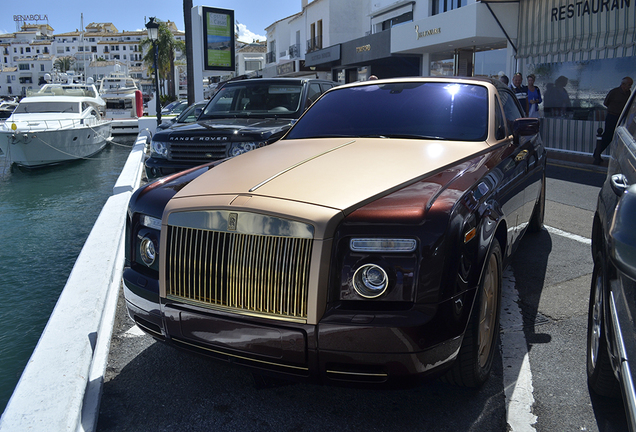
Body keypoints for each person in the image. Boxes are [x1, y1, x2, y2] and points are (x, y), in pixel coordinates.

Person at [593, 76, 633, 165]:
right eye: (629, 85)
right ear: (623, 84)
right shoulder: (614, 92)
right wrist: (614, 109)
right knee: (607, 136)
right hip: (612, 116)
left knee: (619, 138)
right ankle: (597, 154)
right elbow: (605, 103)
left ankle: (617, 158)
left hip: (621, 118)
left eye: (631, 85)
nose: (629, 87)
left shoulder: (628, 93)